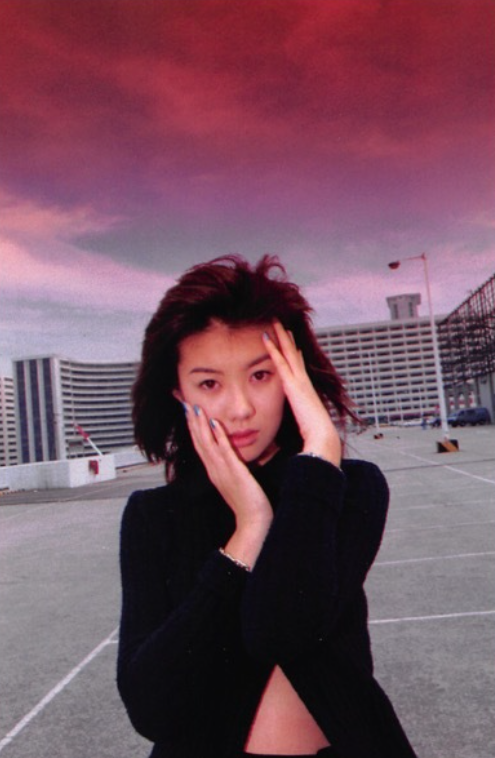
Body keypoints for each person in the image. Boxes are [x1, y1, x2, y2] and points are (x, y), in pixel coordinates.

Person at [117, 255, 419, 758]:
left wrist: (320, 451)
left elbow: (281, 630)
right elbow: (151, 710)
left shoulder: (348, 489)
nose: (241, 408)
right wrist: (249, 529)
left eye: (261, 375)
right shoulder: (155, 516)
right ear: (178, 392)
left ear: (292, 376)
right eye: (209, 383)